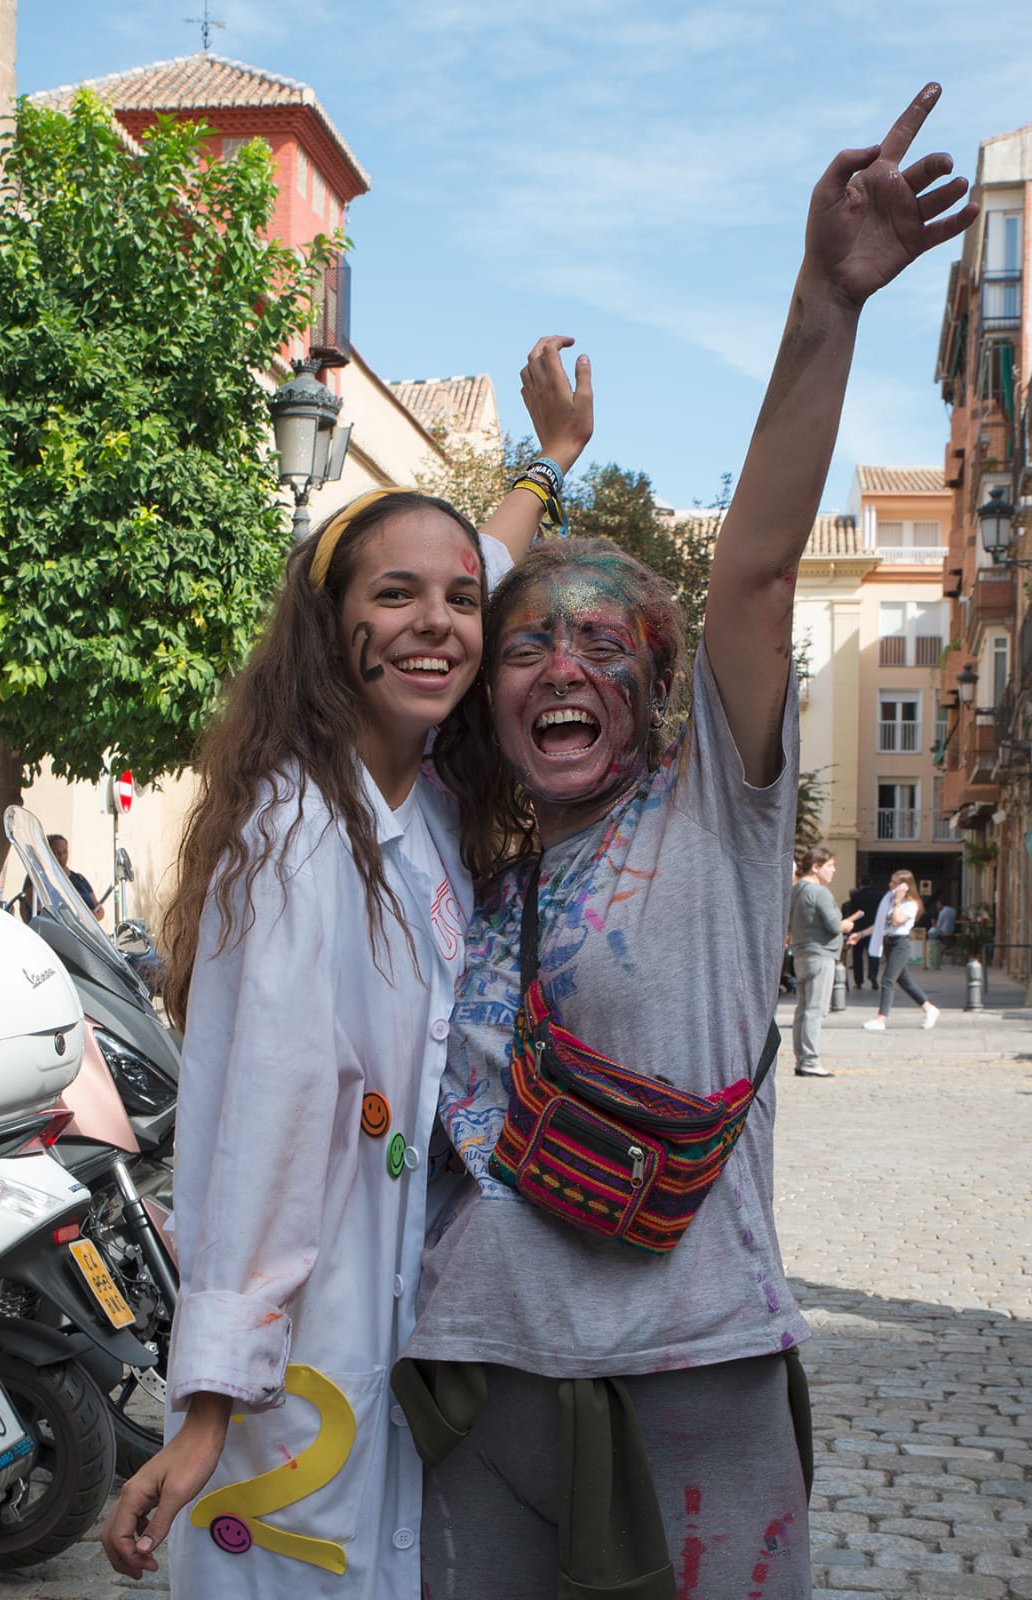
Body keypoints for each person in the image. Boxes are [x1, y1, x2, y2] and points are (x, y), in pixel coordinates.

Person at [393, 85, 975, 1600]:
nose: (560, 667)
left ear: (654, 690)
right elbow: (411, 614)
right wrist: (543, 468)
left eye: (603, 644)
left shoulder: (710, 804)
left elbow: (760, 569)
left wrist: (822, 303)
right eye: (529, 650)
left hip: (689, 1378)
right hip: (473, 1382)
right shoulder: (476, 857)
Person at [100, 335, 593, 1596]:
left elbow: (464, 569)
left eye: (459, 603)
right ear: (333, 629)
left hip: (391, 1322)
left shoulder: (418, 805)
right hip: (295, 1360)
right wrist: (211, 1399)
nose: (435, 623)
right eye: (392, 597)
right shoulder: (295, 833)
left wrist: (547, 463)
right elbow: (262, 1119)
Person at [789, 846, 861, 1078]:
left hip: (801, 953)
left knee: (802, 1009)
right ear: (816, 867)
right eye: (830, 866)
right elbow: (833, 925)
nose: (834, 870)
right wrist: (846, 925)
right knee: (815, 1010)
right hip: (820, 955)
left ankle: (802, 1058)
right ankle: (810, 1060)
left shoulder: (796, 890)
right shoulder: (819, 893)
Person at [855, 868, 941, 1031]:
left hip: (900, 944)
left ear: (905, 886)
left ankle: (881, 1020)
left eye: (894, 882)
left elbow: (896, 921)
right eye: (891, 881)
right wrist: (860, 934)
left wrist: (897, 903)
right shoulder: (888, 899)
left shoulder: (911, 904)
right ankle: (930, 1009)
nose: (890, 884)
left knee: (887, 980)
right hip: (889, 943)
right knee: (905, 982)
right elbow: (881, 924)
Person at [47, 832, 105, 921]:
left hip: (85, 931)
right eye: (57, 852)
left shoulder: (79, 879)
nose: (62, 856)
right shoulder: (43, 878)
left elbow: (99, 910)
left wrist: (90, 918)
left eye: (64, 852)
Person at [843, 874, 882, 988]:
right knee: (873, 953)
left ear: (860, 882)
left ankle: (858, 981)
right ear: (871, 883)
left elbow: (851, 908)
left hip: (858, 928)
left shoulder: (855, 895)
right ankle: (872, 974)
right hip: (873, 928)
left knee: (857, 955)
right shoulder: (878, 896)